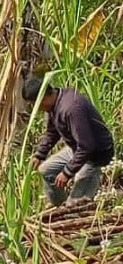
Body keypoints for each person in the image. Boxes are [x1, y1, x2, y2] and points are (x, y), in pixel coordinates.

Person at [22, 73, 115, 206]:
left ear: (43, 97)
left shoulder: (71, 108)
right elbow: (52, 132)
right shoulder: (55, 104)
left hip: (95, 155)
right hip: (77, 149)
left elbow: (87, 146)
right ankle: (62, 209)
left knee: (77, 203)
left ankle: (75, 211)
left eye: (34, 103)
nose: (35, 108)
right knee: (45, 171)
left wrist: (67, 172)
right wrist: (40, 154)